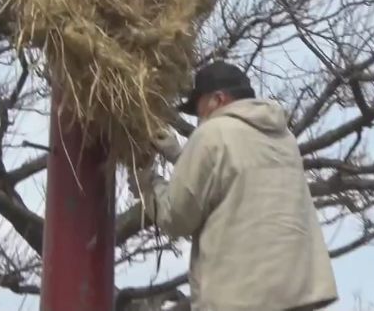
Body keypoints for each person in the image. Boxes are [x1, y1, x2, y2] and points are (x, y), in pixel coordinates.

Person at [143, 61, 338, 311]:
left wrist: (146, 181)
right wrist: (180, 157)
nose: (199, 118)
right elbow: (230, 179)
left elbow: (176, 217)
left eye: (199, 109)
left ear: (218, 99)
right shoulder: (282, 138)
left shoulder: (211, 133)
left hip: (239, 298)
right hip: (296, 295)